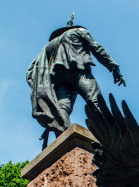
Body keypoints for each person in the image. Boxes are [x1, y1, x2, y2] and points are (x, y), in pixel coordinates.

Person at [26, 14, 126, 148]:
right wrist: (113, 67)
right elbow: (97, 48)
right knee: (95, 99)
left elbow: (34, 69)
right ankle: (112, 135)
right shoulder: (79, 31)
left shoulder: (50, 45)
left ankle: (63, 137)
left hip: (60, 80)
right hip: (78, 72)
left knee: (63, 107)